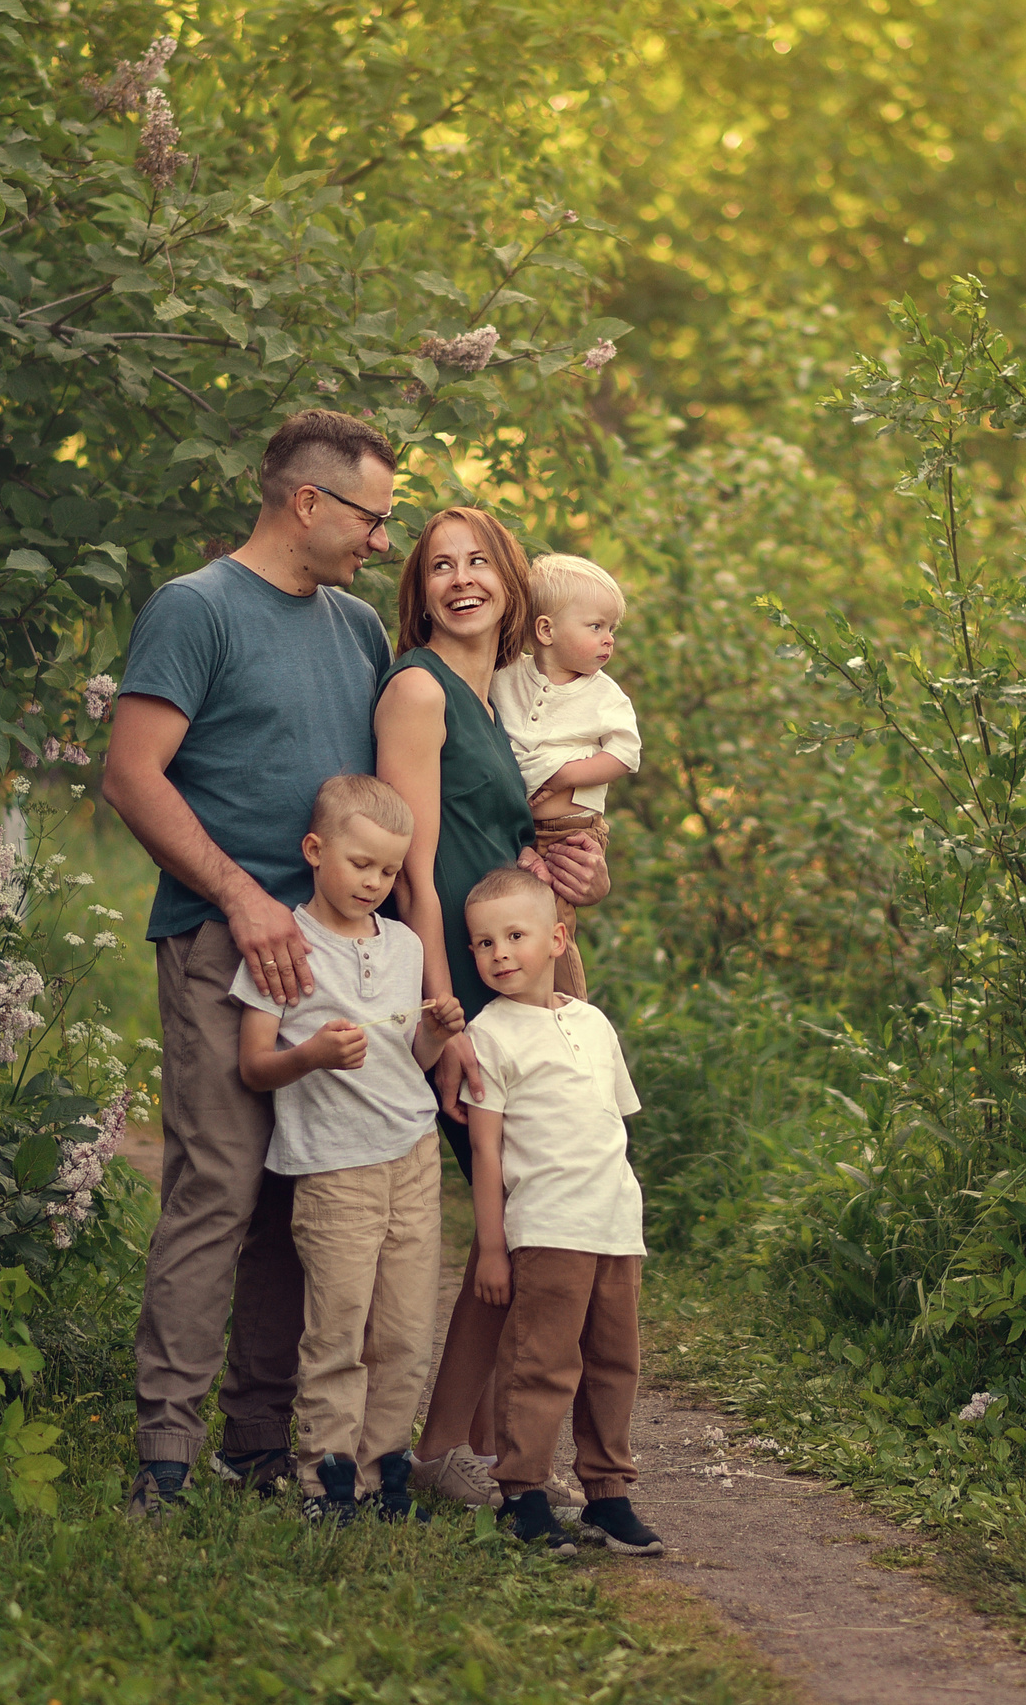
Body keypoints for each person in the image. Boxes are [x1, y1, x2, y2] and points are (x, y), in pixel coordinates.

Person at [102, 409, 399, 1518]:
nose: (382, 538)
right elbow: (133, 775)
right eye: (372, 514)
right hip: (225, 937)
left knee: (301, 1190)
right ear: (306, 502)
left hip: (336, 948)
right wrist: (240, 895)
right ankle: (165, 1455)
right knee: (218, 1186)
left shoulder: (360, 628)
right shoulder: (196, 608)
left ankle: (260, 1440)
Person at [373, 506, 609, 1510]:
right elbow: (411, 875)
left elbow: (543, 825)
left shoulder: (512, 694)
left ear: (512, 581)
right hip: (465, 986)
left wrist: (575, 868)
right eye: (439, 565)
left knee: (547, 1205)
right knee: (504, 1210)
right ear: (418, 588)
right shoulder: (419, 690)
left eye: (479, 562)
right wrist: (444, 1019)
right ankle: (445, 1450)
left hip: (534, 974)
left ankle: (482, 1443)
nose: (461, 578)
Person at [232, 774, 463, 1526]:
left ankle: (384, 1477)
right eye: (360, 863)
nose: (375, 881)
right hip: (335, 1168)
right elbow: (254, 1065)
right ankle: (327, 1483)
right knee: (338, 1330)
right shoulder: (283, 944)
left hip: (412, 1152)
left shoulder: (402, 944)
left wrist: (437, 1028)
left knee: (402, 1331)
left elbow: (412, 1057)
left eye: (389, 870)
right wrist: (312, 1056)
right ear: (315, 849)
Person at [458, 864, 663, 1557]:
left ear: (557, 938)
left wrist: (625, 1216)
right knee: (541, 1362)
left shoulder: (592, 1022)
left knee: (614, 1363)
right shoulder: (490, 1032)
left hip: (613, 1225)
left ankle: (608, 1494)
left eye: (514, 935)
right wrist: (492, 1245)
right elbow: (485, 1150)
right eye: (483, 943)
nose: (499, 954)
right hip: (547, 1226)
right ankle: (523, 1493)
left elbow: (613, 1123)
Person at [490, 553, 640, 1000]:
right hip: (518, 830)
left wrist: (565, 777)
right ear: (546, 631)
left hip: (571, 835)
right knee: (512, 927)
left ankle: (571, 1013)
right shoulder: (508, 675)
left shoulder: (603, 695)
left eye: (612, 629)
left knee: (552, 930)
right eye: (596, 627)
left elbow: (626, 753)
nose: (608, 640)